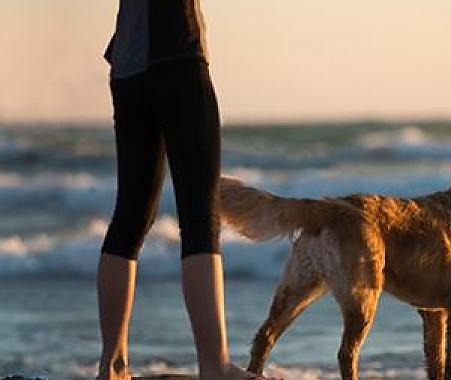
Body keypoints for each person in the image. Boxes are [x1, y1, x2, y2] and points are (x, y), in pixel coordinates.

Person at [97, 1, 273, 379]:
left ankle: (112, 365)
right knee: (199, 221)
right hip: (178, 56)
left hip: (128, 70)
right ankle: (214, 366)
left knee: (128, 219)